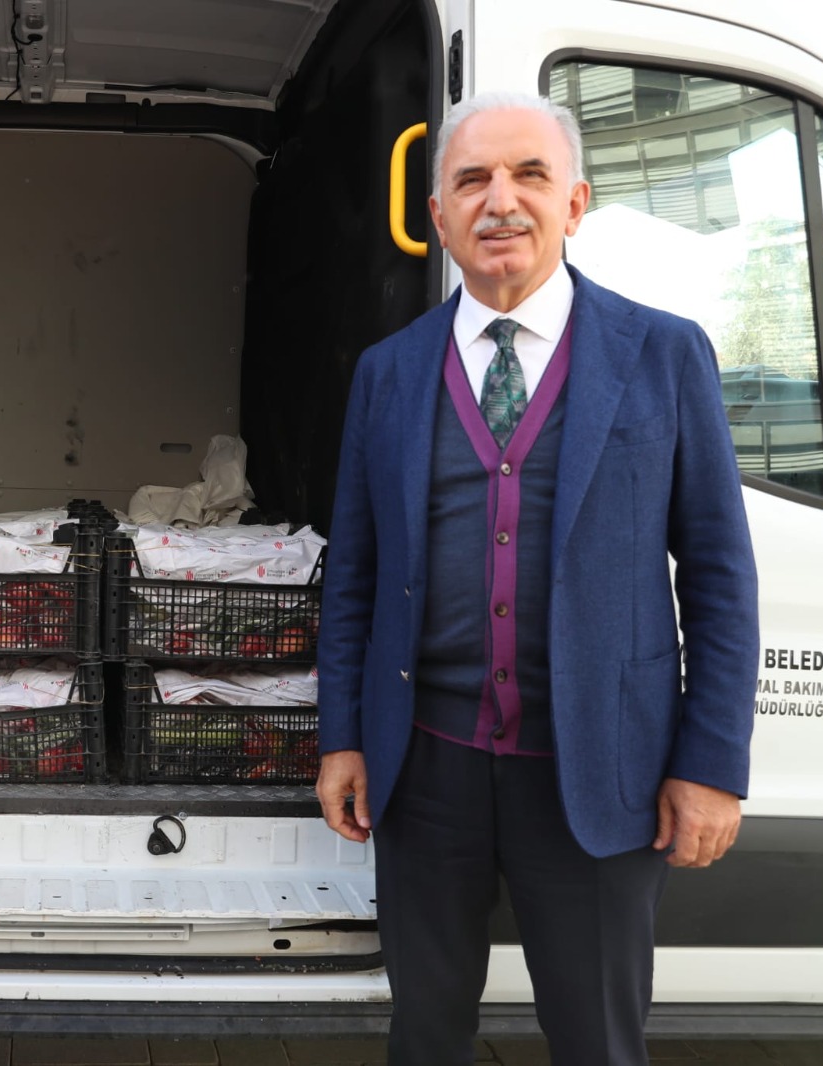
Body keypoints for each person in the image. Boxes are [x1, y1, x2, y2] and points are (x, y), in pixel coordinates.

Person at [314, 92, 758, 1064]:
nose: (500, 200)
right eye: (472, 180)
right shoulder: (388, 372)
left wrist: (711, 763)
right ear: (438, 216)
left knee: (598, 1041)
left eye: (529, 175)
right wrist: (343, 736)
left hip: (600, 768)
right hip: (424, 767)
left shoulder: (663, 354)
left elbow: (720, 576)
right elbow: (353, 575)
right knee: (425, 1034)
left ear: (575, 203)